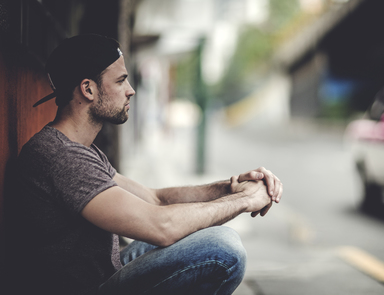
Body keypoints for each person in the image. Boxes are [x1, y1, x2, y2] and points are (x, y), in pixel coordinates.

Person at [6, 34, 283, 295]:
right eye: (121, 81)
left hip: (106, 271)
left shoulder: (81, 150)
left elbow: (155, 199)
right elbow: (161, 227)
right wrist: (245, 201)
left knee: (201, 227)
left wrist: (231, 189)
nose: (131, 91)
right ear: (88, 89)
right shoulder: (61, 157)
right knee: (222, 248)